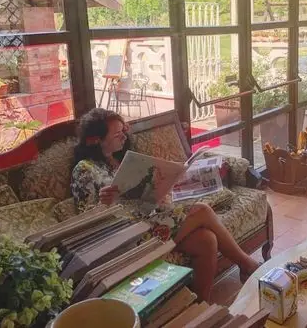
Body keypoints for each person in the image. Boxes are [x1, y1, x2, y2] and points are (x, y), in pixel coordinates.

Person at [70, 108, 260, 301]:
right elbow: (85, 222)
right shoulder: (84, 169)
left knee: (207, 240)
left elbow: (138, 199)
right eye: (117, 134)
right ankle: (247, 265)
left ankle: (201, 305)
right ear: (96, 140)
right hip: (128, 236)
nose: (123, 137)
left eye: (123, 131)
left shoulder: (121, 160)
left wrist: (158, 192)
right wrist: (104, 204)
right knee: (202, 211)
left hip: (149, 220)